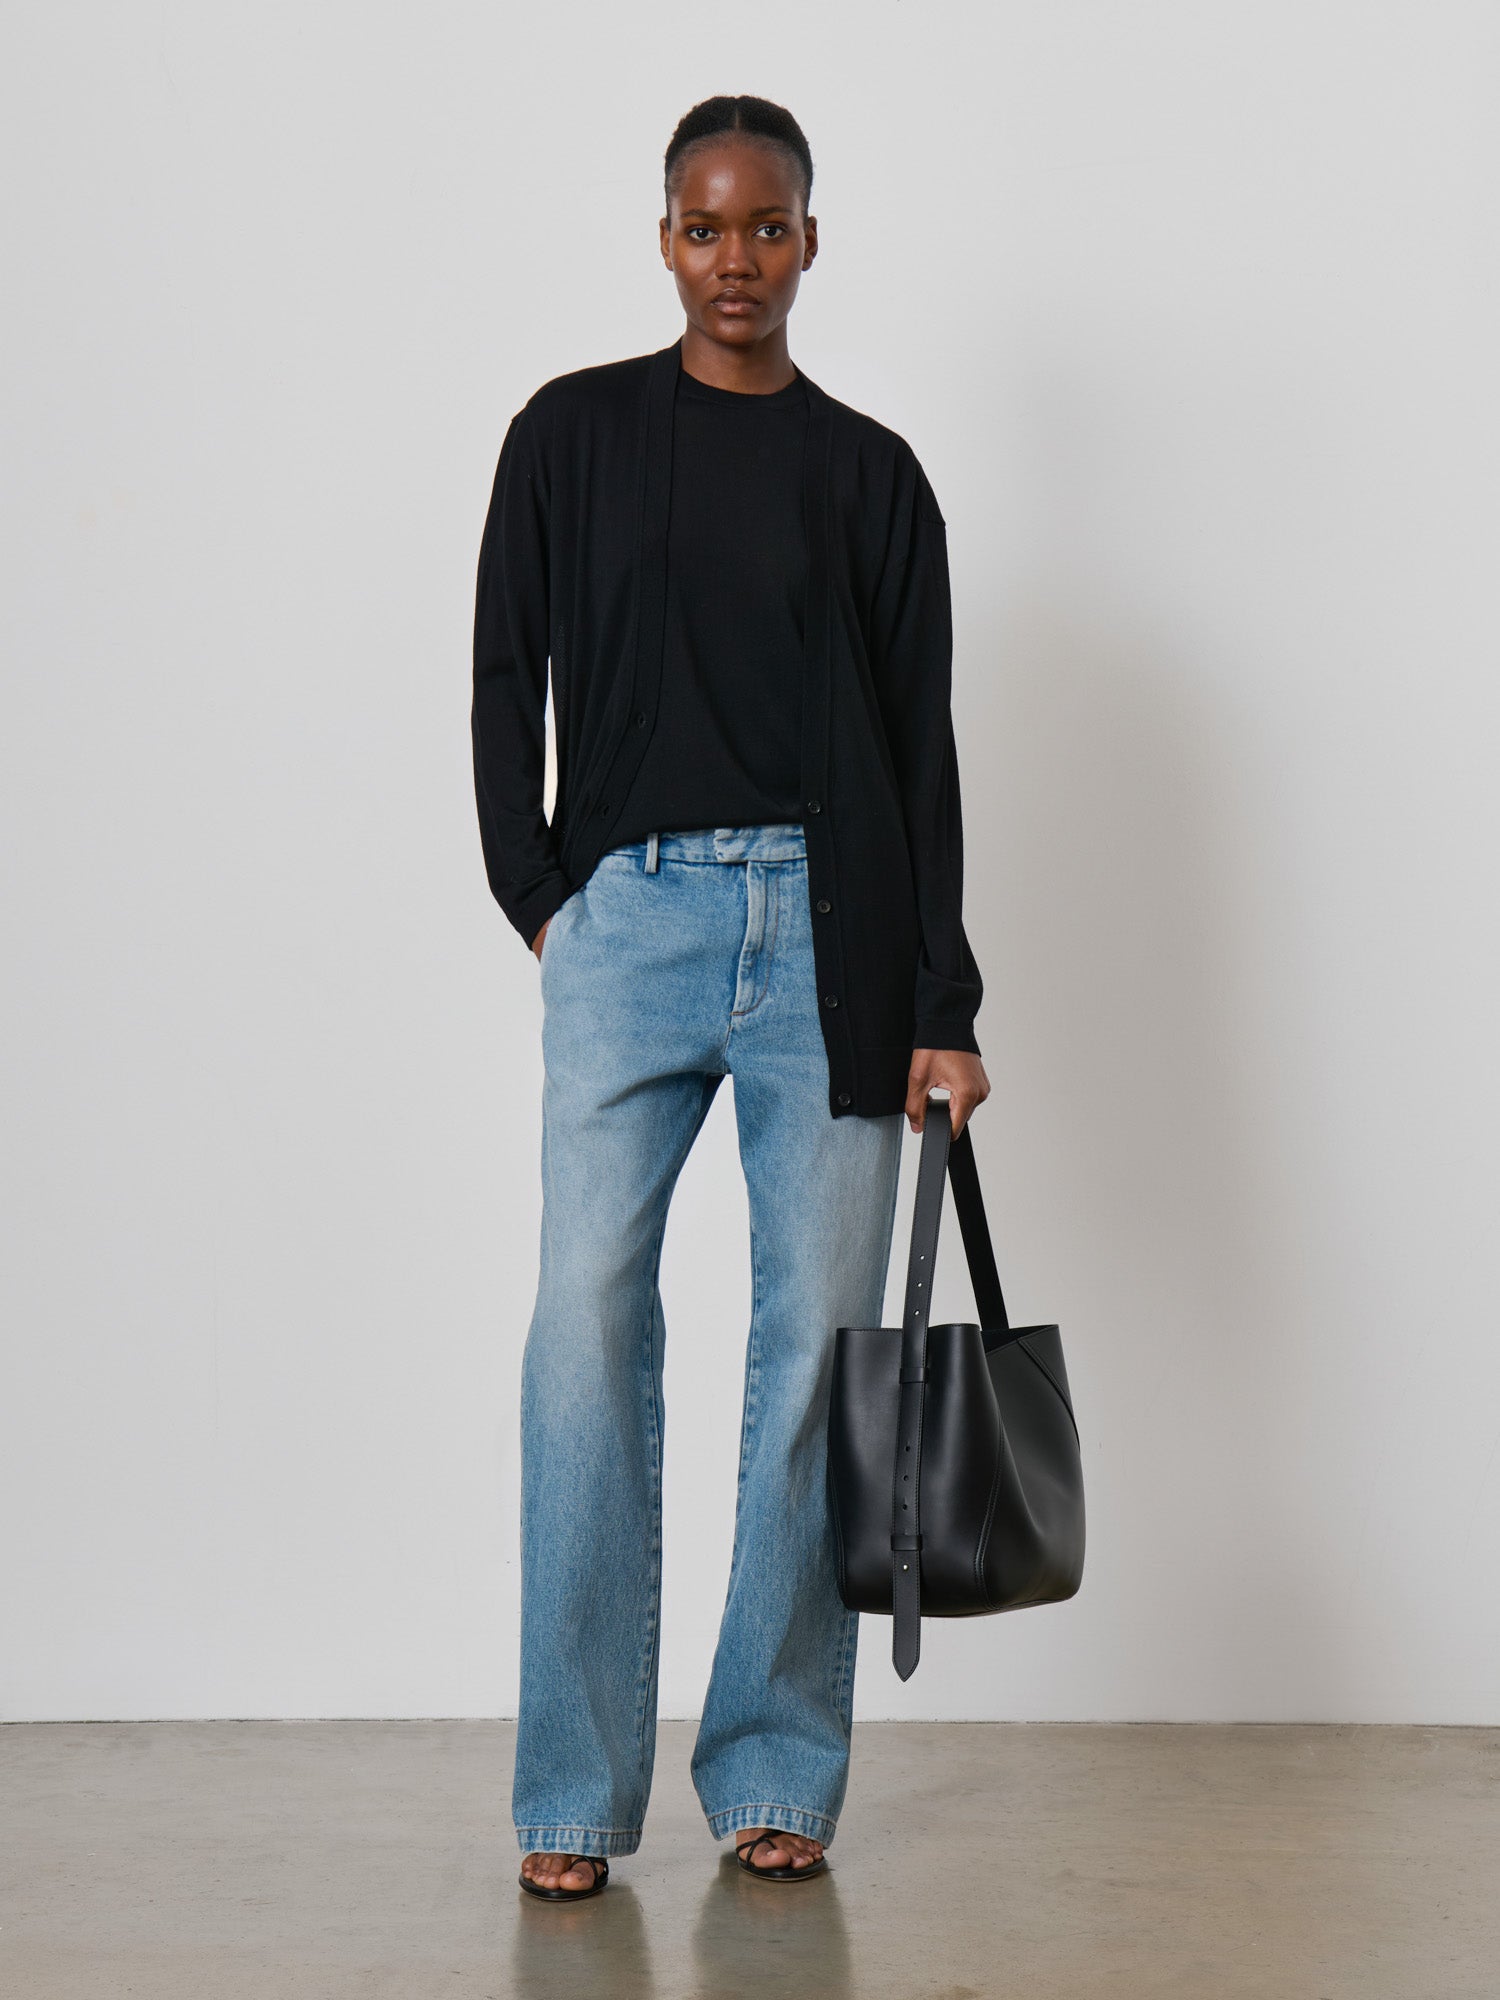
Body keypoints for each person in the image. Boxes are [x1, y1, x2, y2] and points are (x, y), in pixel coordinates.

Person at [471, 94, 989, 1902]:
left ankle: (776, 1768)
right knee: (582, 1333)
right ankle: (570, 1794)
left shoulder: (872, 476)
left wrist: (942, 999)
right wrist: (540, 896)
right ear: (665, 239)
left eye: (768, 227)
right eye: (706, 228)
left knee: (816, 1353)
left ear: (811, 241)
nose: (737, 260)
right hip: (628, 926)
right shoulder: (569, 436)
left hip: (832, 946)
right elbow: (504, 667)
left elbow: (919, 752)